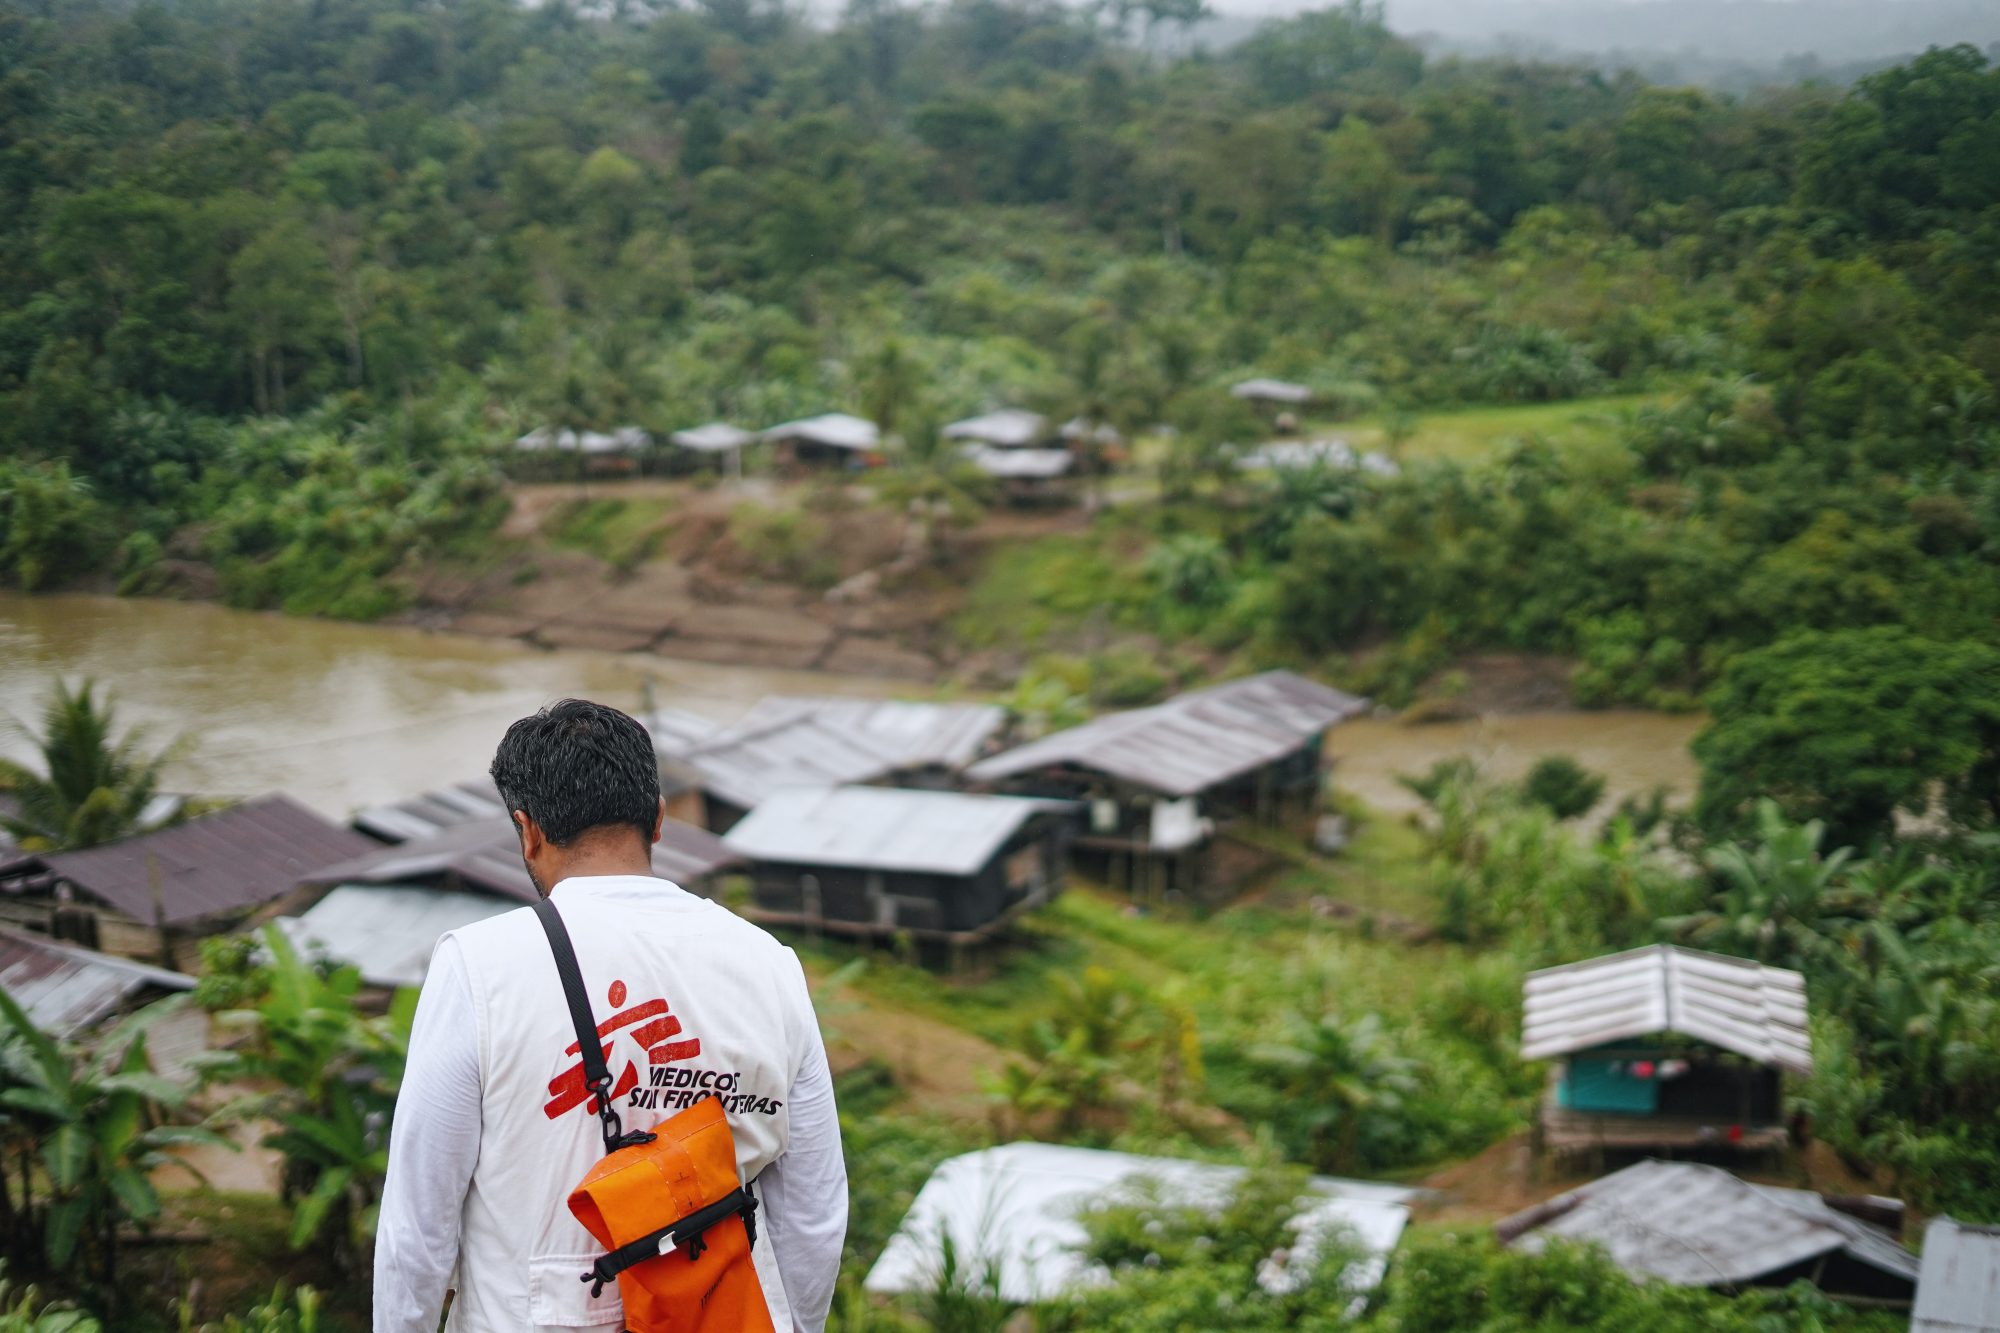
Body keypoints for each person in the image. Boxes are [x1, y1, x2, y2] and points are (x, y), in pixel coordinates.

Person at [374, 699, 847, 1332]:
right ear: (657, 820)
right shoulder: (770, 965)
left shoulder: (481, 967)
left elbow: (419, 1223)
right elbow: (812, 1213)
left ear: (528, 830)